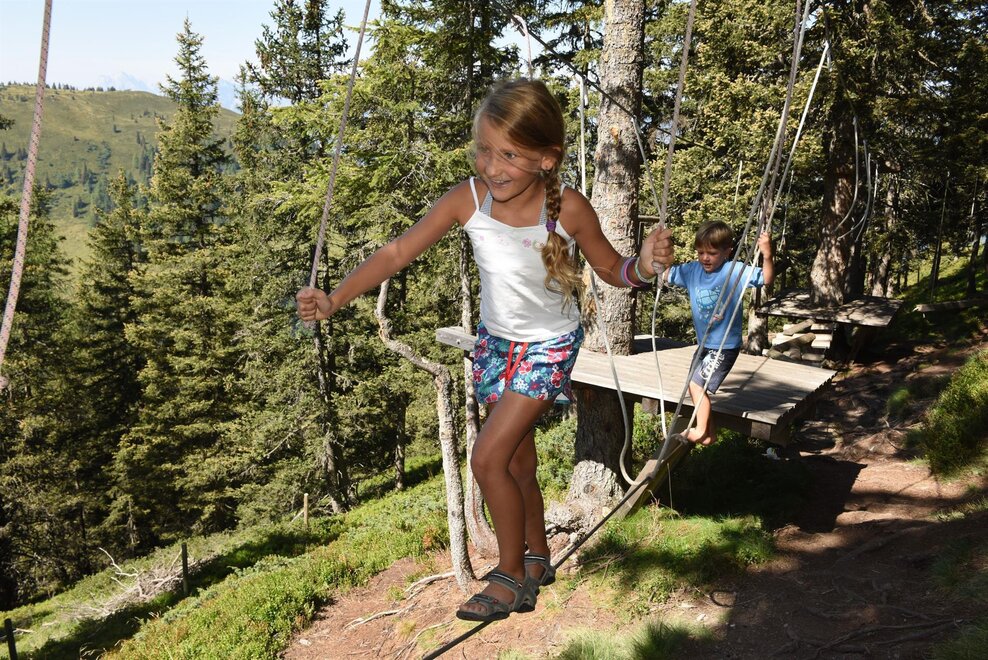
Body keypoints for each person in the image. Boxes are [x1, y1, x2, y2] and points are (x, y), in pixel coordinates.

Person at [296, 78, 674, 623]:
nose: (493, 167)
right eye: (484, 151)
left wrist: (645, 266)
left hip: (549, 346)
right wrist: (334, 298)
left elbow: (615, 269)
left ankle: (510, 575)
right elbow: (397, 252)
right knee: (517, 461)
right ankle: (537, 554)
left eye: (509, 155)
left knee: (487, 458)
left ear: (546, 159)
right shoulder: (468, 199)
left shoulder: (568, 208)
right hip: (497, 344)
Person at [663, 220, 774, 446]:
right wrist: (660, 253)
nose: (705, 258)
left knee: (697, 386)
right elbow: (665, 274)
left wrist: (767, 255)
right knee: (694, 386)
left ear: (727, 252)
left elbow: (766, 278)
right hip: (705, 344)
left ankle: (700, 431)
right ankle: (710, 434)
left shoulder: (735, 271)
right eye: (701, 252)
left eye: (712, 253)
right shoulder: (692, 271)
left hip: (724, 346)